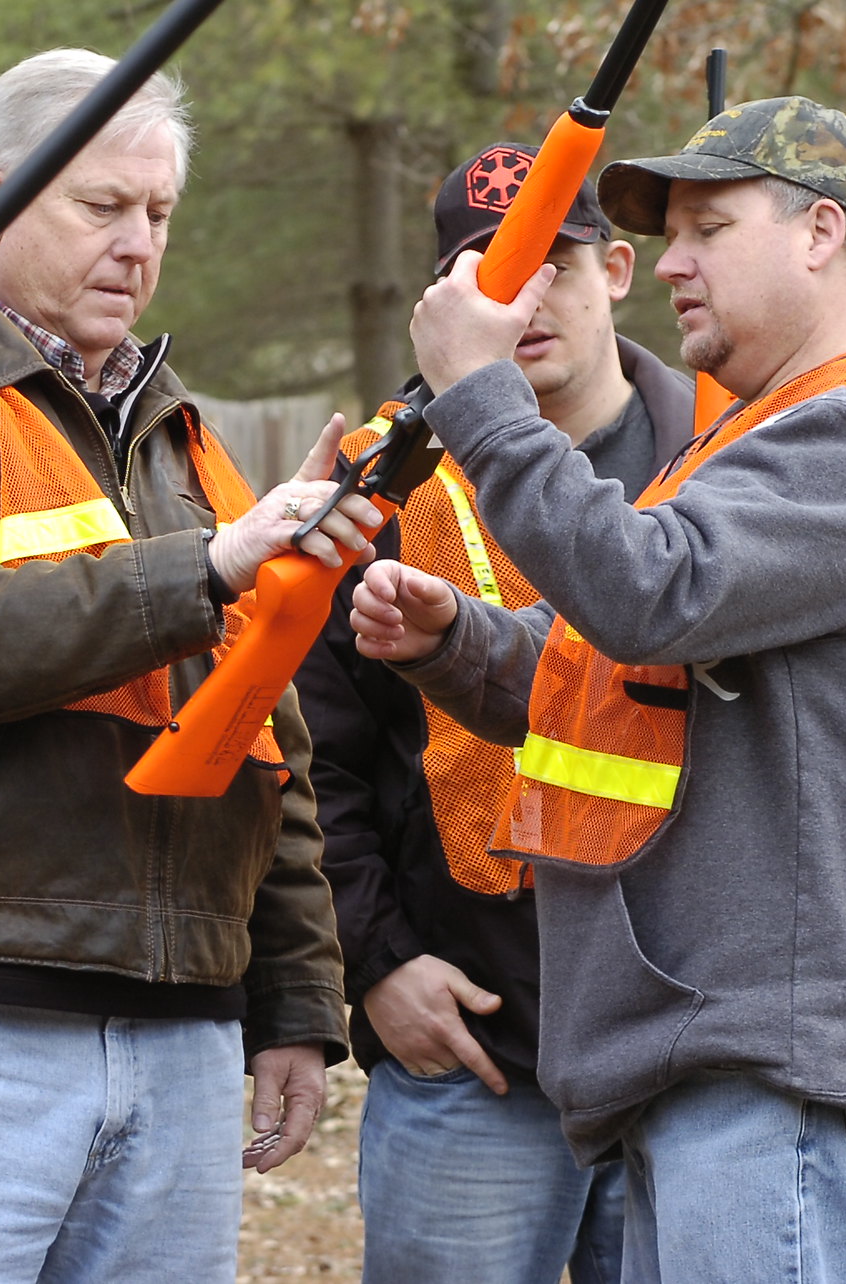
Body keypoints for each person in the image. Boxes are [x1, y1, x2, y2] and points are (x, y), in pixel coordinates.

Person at [349, 96, 846, 1281]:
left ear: (820, 232)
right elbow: (618, 665)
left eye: (706, 229)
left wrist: (477, 396)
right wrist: (452, 644)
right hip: (721, 1069)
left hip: (773, 1075)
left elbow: (645, 592)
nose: (667, 264)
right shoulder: (760, 435)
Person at [0, 48, 376, 1284]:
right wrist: (206, 569)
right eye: (101, 205)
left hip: (184, 1045)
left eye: (157, 212)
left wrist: (297, 1006)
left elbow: (271, 738)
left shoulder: (187, 442)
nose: (137, 242)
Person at [293, 143, 693, 1284]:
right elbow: (314, 758)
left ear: (617, 269)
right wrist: (378, 963)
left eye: (550, 263)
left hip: (684, 1052)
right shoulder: (379, 485)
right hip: (473, 1057)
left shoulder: (734, 458)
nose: (515, 299)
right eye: (482, 271)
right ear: (438, 304)